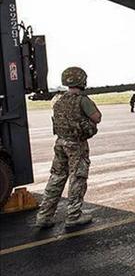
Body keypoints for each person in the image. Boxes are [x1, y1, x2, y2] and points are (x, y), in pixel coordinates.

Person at [35, 67, 102, 229]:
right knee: (77, 178)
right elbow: (97, 118)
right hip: (76, 145)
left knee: (56, 178)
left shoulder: (58, 99)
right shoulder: (82, 100)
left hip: (60, 143)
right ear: (81, 80)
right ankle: (74, 215)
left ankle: (44, 215)